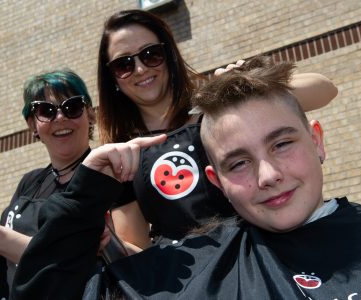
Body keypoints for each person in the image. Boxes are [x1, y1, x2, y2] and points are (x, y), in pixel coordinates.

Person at [10, 56, 361, 299]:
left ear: (318, 142)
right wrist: (84, 198)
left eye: (281, 144)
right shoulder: (196, 275)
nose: (269, 176)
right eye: (238, 163)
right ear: (216, 180)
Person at [96, 9, 338, 248]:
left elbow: (325, 89)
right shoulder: (121, 154)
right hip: (189, 282)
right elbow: (135, 245)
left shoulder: (215, 110)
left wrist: (246, 88)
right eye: (123, 64)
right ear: (112, 78)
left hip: (264, 260)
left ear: (169, 55)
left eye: (151, 54)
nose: (140, 69)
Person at [0, 69, 96, 299]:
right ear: (33, 125)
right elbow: (4, 268)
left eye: (72, 107)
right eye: (46, 110)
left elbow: (102, 261)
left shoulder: (105, 174)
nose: (60, 117)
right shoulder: (29, 182)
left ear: (90, 115)